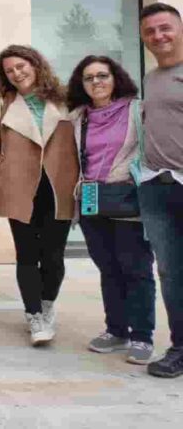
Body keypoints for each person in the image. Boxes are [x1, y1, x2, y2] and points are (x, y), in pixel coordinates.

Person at [0, 45, 78, 347]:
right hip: (20, 188)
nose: (17, 73)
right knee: (27, 255)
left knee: (54, 257)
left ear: (35, 65)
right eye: (10, 70)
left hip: (58, 188)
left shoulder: (64, 99)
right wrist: (2, 171)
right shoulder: (0, 106)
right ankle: (34, 314)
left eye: (21, 66)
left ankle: (47, 304)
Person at [65, 55, 154, 365]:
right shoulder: (79, 116)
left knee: (136, 268)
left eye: (102, 75)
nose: (96, 82)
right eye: (89, 78)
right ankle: (116, 330)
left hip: (128, 194)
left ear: (115, 78)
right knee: (108, 267)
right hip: (90, 196)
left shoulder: (137, 110)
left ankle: (142, 335)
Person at [136, 2, 183, 378]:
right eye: (150, 31)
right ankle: (180, 348)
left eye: (165, 28)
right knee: (169, 272)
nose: (158, 36)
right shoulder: (151, 78)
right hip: (157, 186)